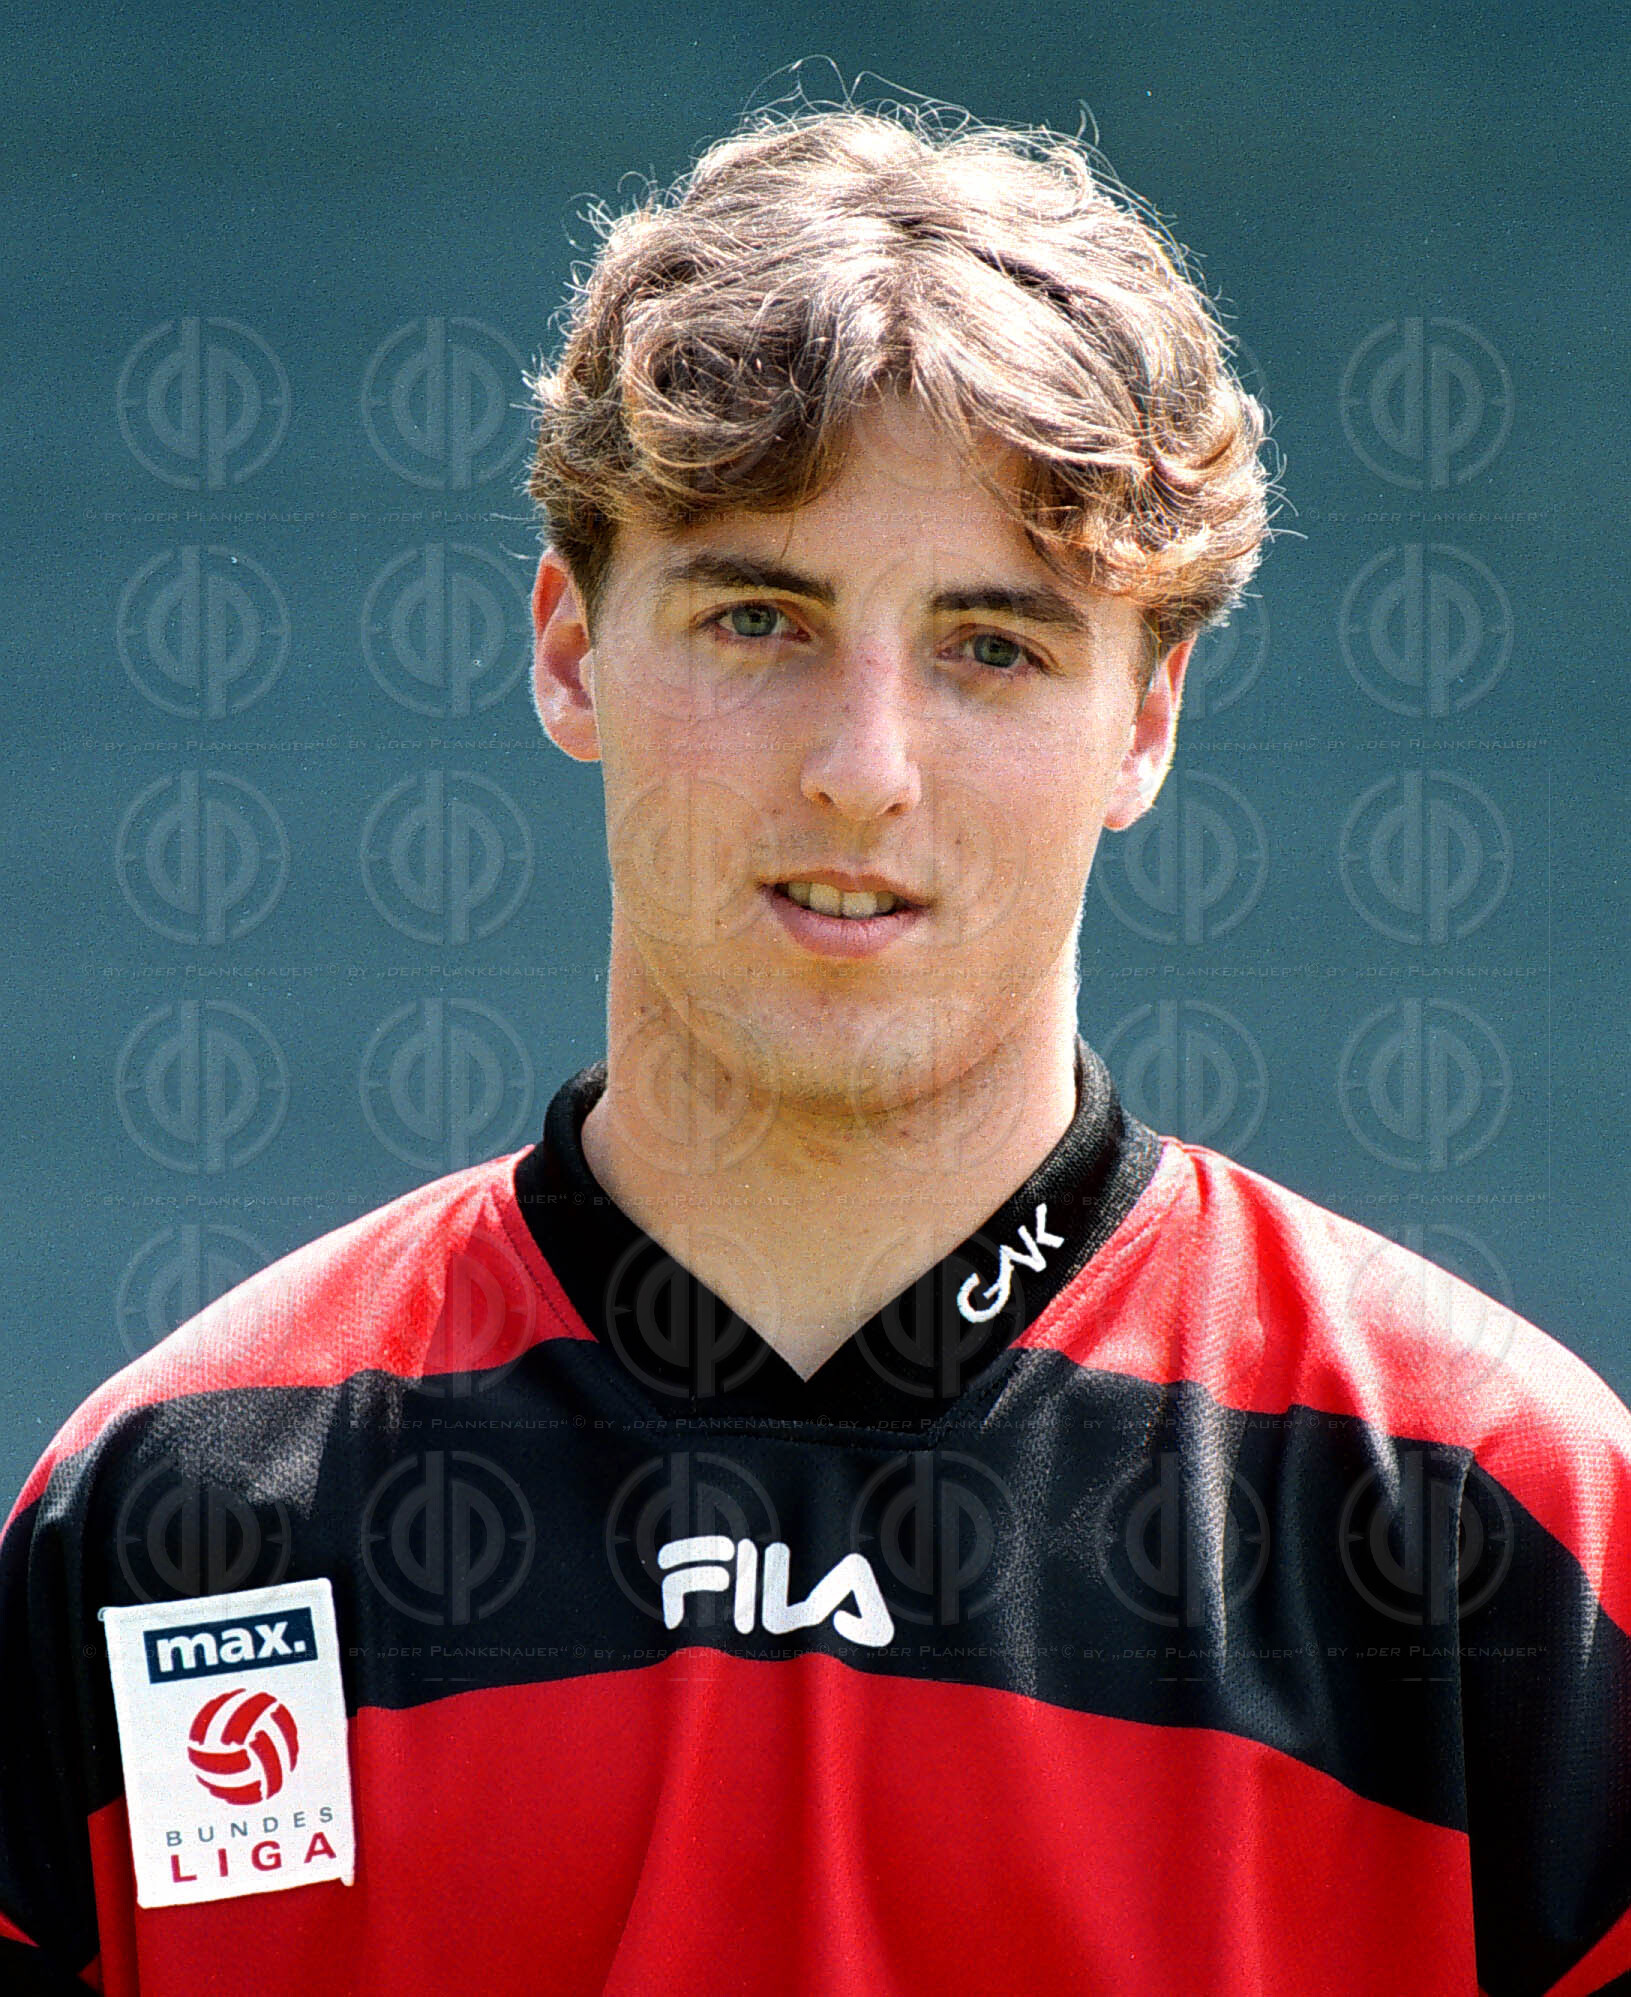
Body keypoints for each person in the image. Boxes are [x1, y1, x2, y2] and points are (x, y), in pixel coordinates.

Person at [3, 100, 1629, 1997]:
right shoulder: (175, 1517)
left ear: (1148, 719)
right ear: (570, 647)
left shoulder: (1500, 1525)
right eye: (760, 617)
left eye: (992, 647)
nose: (865, 767)